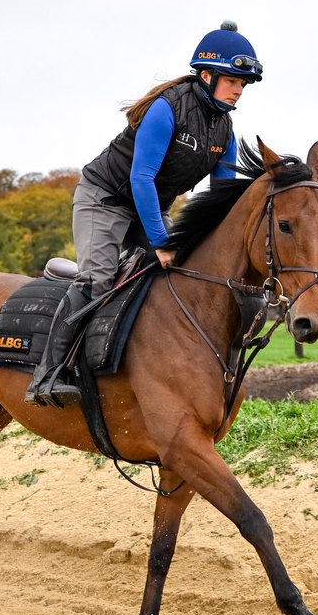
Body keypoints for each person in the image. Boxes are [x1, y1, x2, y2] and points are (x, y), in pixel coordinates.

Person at [25, 20, 262, 407]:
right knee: (99, 279)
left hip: (149, 205)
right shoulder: (165, 109)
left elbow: (221, 199)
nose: (239, 90)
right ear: (206, 75)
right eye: (233, 81)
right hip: (104, 198)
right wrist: (161, 241)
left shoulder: (224, 129)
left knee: (179, 275)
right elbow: (142, 177)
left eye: (243, 84)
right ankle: (49, 375)